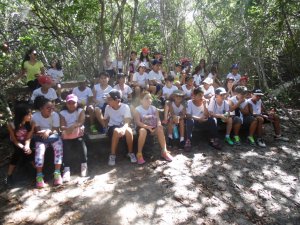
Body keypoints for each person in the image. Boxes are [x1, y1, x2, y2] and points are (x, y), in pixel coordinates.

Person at [98, 90, 137, 166]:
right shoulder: (107, 107)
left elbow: (127, 122)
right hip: (112, 127)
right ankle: (112, 155)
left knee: (129, 131)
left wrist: (123, 129)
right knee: (116, 130)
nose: (107, 101)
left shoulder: (125, 107)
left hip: (123, 125)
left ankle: (130, 153)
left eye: (109, 99)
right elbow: (105, 120)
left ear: (117, 100)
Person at [134, 91, 173, 164]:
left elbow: (158, 119)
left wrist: (159, 124)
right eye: (147, 98)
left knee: (160, 128)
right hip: (142, 127)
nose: (149, 100)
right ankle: (139, 154)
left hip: (153, 127)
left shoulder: (154, 108)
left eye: (150, 98)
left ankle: (164, 151)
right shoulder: (138, 109)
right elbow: (137, 122)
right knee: (143, 131)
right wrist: (147, 127)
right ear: (141, 100)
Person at [32, 96, 63, 188]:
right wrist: (45, 132)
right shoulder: (35, 116)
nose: (51, 109)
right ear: (41, 108)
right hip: (41, 138)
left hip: (53, 136)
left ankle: (57, 174)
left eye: (52, 107)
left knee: (58, 148)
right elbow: (37, 131)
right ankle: (39, 176)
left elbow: (56, 129)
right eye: (48, 108)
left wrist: (48, 131)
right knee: (40, 150)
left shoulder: (55, 115)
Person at [5, 103, 35, 186]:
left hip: (27, 141)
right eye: (29, 114)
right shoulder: (11, 125)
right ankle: (9, 175)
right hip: (17, 142)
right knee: (17, 153)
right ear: (22, 115)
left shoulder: (31, 123)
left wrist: (27, 146)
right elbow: (14, 140)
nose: (31, 116)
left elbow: (28, 138)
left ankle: (37, 171)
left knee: (29, 152)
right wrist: (23, 147)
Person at [60, 94, 87, 182]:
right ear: (66, 104)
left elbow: (80, 122)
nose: (71, 105)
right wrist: (67, 129)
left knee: (80, 142)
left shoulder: (80, 111)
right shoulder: (62, 113)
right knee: (66, 146)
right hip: (67, 134)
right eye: (69, 103)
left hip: (78, 133)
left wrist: (72, 127)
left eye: (73, 103)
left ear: (77, 103)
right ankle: (66, 169)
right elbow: (62, 125)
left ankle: (84, 165)